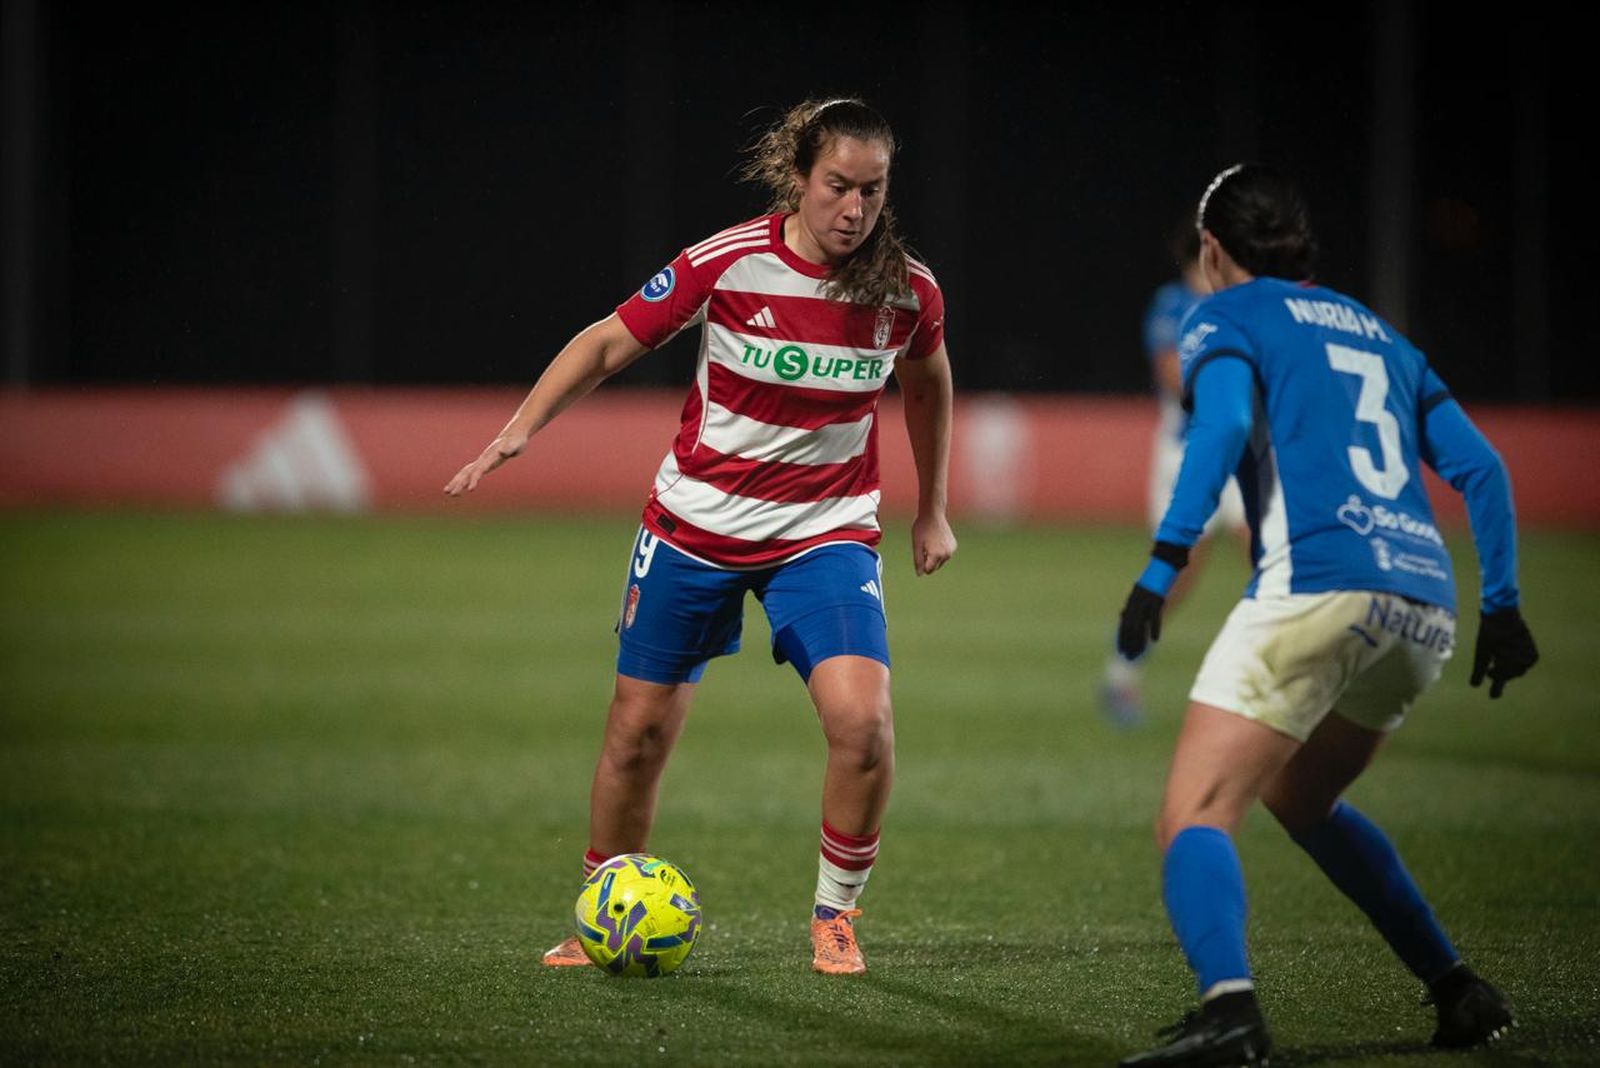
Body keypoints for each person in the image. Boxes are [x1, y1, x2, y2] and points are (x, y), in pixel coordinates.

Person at [444, 98, 956, 976]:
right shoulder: (729, 263)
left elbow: (928, 381)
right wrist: (523, 427)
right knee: (637, 734)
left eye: (872, 191)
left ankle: (834, 915)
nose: (854, 210)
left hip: (823, 533)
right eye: (838, 187)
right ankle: (600, 911)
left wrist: (933, 506)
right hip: (695, 527)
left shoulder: (906, 290)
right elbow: (609, 342)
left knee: (864, 725)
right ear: (799, 178)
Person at [1113, 164, 1539, 1066]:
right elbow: (1484, 472)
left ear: (1214, 249)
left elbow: (1220, 430)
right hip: (1425, 601)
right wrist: (1502, 602)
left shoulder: (1222, 313)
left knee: (1193, 811)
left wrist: (1163, 562)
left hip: (1318, 581)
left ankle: (1231, 1013)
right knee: (1302, 795)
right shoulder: (1381, 332)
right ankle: (1456, 986)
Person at [1100, 225, 1245, 729]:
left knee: (1271, 560)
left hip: (1246, 455)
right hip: (1188, 453)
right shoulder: (1173, 304)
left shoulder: (1242, 304)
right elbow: (1172, 376)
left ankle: (1271, 683)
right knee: (1175, 575)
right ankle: (1121, 673)